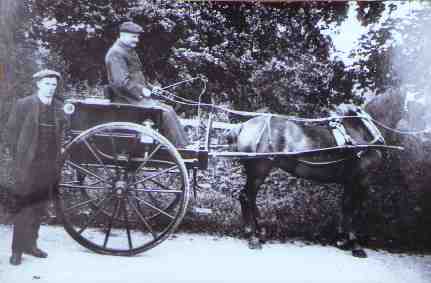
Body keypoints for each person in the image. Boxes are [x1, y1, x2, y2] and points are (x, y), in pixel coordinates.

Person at [4, 69, 66, 266]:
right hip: (27, 165)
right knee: (23, 207)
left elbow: (65, 131)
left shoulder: (59, 107)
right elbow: (11, 133)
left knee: (39, 207)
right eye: (47, 84)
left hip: (49, 165)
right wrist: (19, 158)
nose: (50, 88)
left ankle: (31, 245)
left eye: (53, 85)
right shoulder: (24, 105)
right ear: (38, 84)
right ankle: (16, 251)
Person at [105, 21, 189, 148]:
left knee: (168, 109)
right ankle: (180, 149)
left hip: (133, 98)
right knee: (164, 113)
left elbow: (137, 78)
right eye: (134, 37)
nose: (137, 40)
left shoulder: (128, 51)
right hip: (125, 100)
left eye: (137, 37)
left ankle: (182, 145)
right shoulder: (116, 53)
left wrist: (150, 88)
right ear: (123, 35)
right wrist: (142, 91)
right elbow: (121, 82)